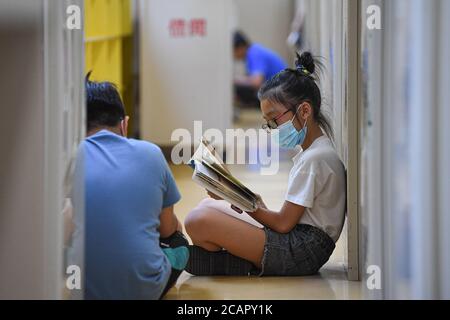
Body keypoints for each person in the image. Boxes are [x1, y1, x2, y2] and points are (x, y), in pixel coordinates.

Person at [185, 52, 346, 277]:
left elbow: (282, 224)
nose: (271, 127)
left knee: (197, 220)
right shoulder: (314, 152)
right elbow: (288, 220)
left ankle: (243, 263)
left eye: (274, 119)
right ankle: (243, 261)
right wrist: (236, 196)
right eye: (267, 123)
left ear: (305, 110)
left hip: (301, 252)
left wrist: (242, 202)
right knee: (205, 207)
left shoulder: (315, 159)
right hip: (299, 242)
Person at [80, 75, 189, 299]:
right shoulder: (151, 153)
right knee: (178, 241)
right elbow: (167, 229)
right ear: (124, 124)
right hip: (144, 290)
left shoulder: (68, 158)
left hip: (79, 289)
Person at [233, 31, 288, 107]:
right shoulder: (253, 51)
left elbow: (256, 82)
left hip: (281, 95)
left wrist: (236, 80)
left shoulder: (254, 53)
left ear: (240, 47)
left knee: (239, 88)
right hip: (279, 91)